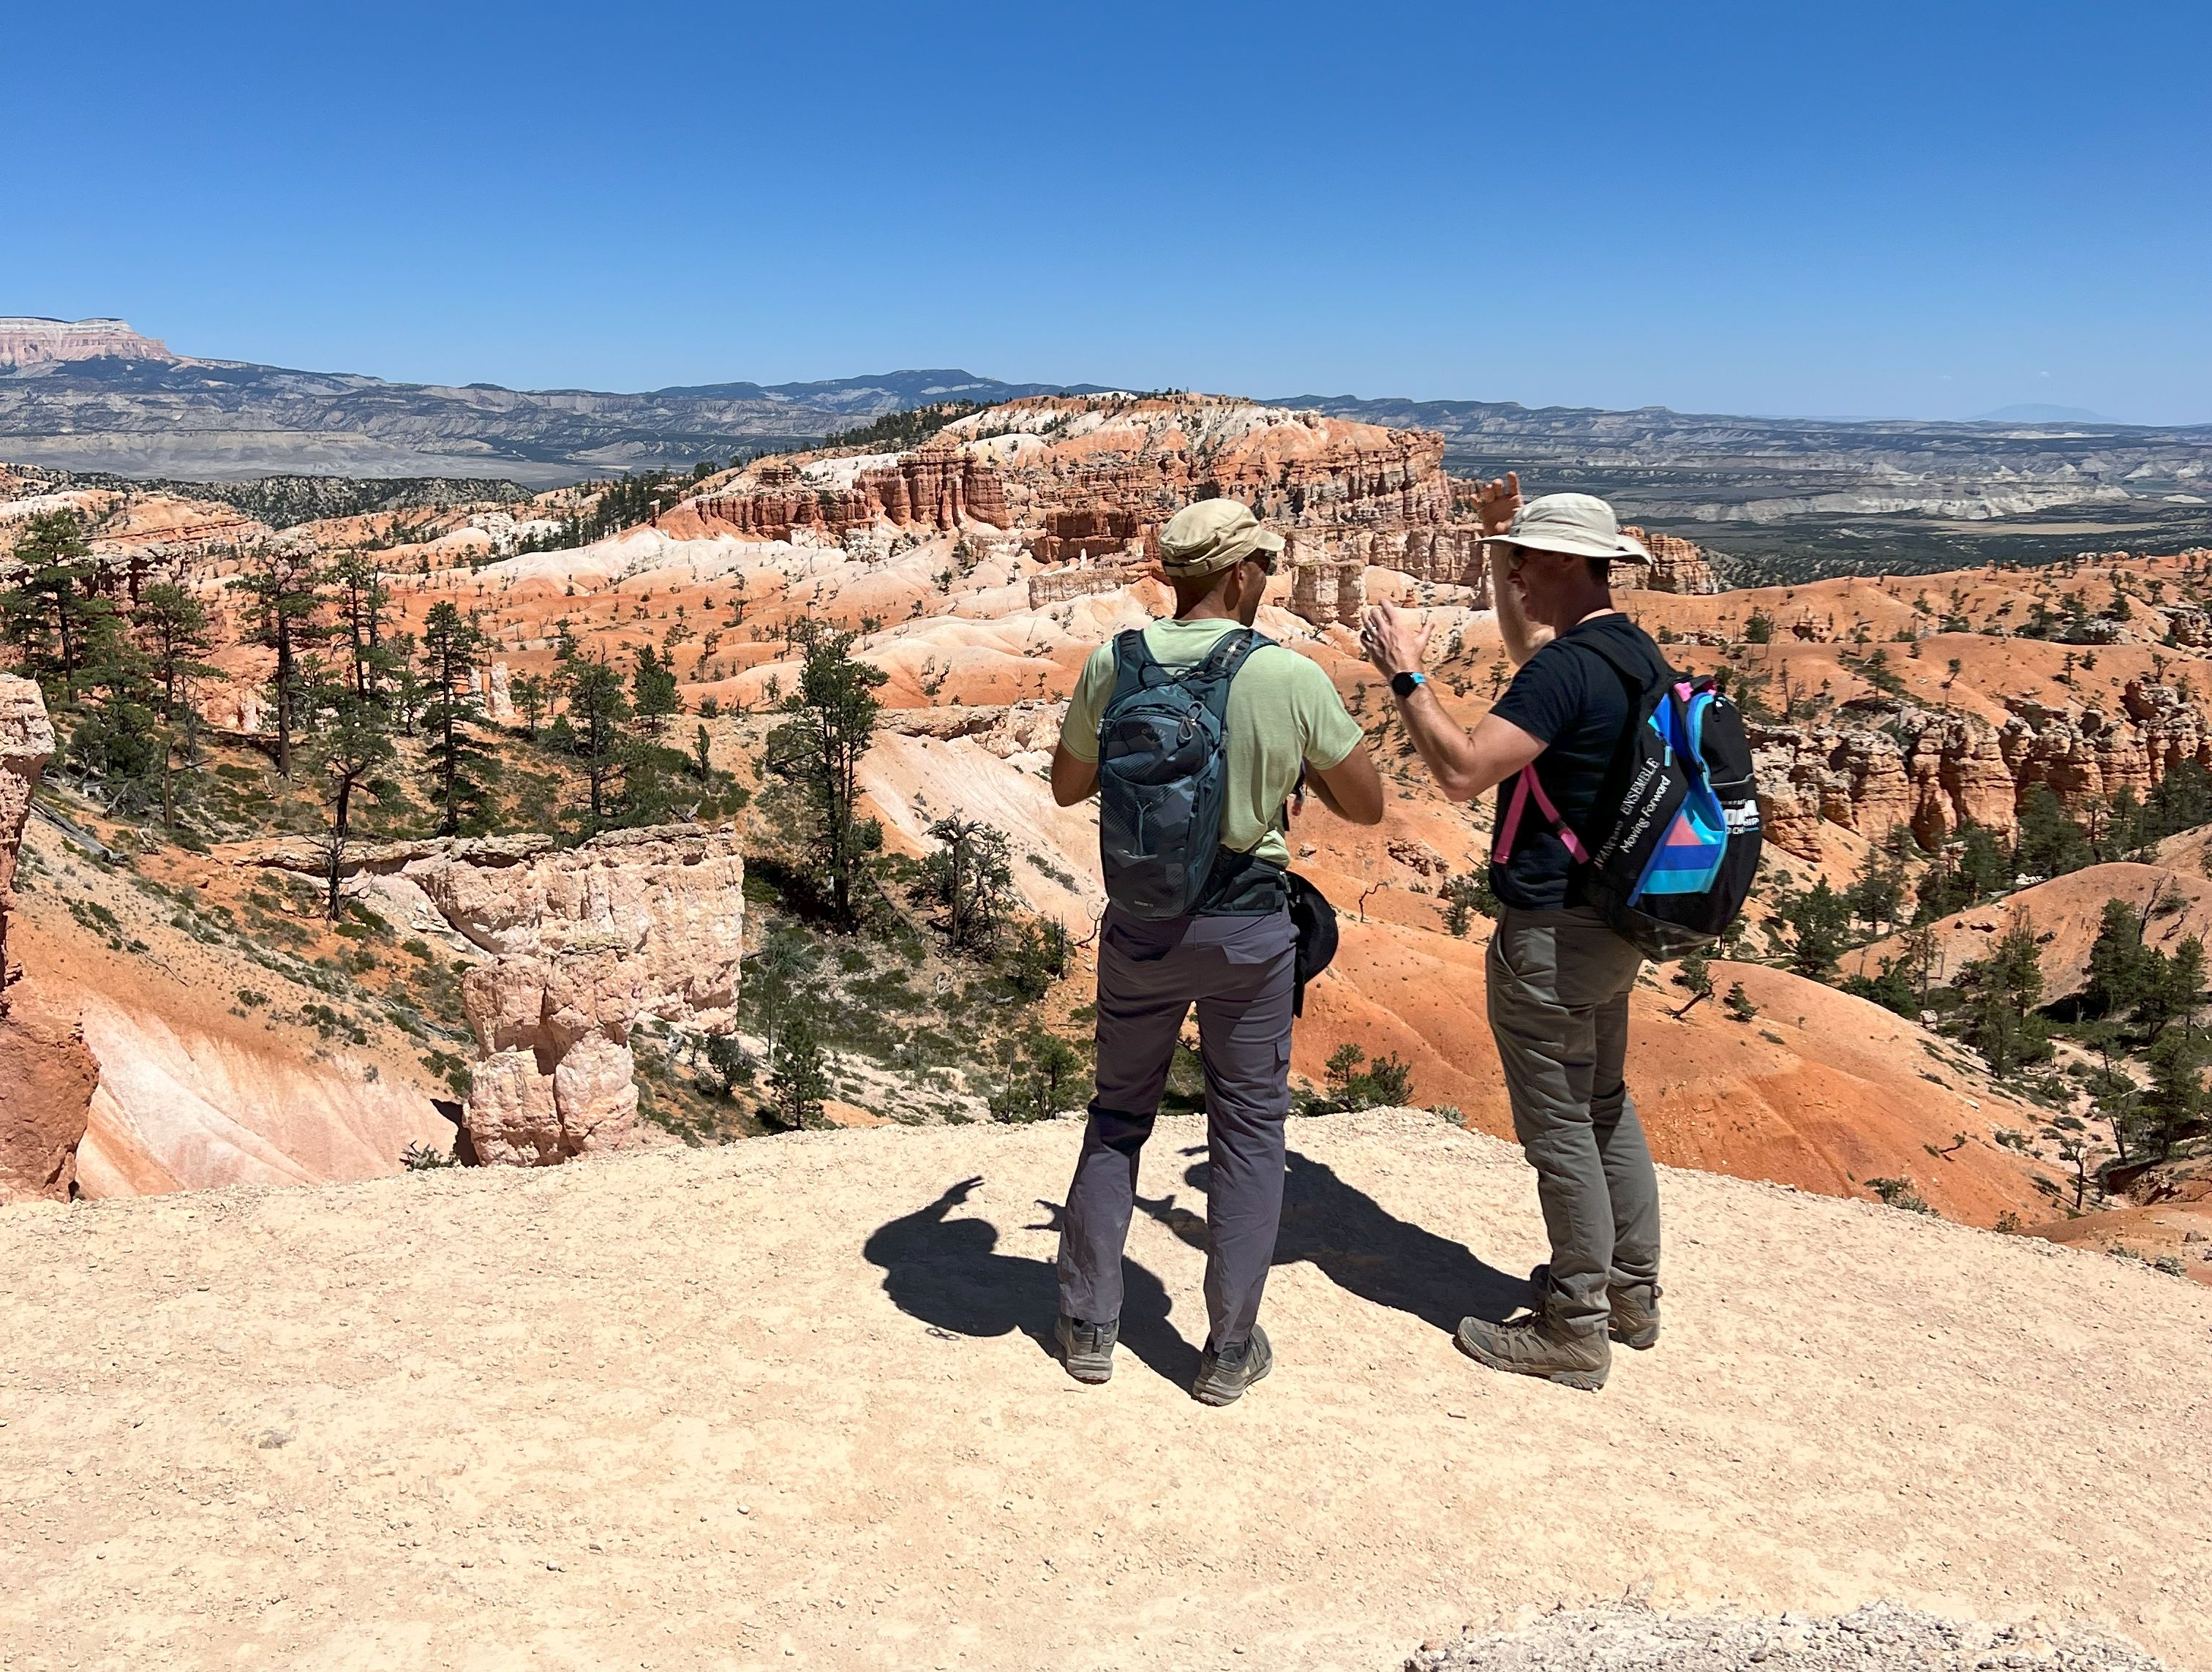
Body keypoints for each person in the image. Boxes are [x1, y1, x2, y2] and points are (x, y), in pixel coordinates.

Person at [1049, 498, 1385, 1404]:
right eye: (1264, 566)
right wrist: (1281, 772)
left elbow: (1067, 785)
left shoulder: (1113, 662)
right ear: (1239, 574)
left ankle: (1088, 1326)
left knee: (1118, 1116)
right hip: (1247, 934)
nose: (1268, 578)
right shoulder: (1288, 677)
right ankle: (1228, 1349)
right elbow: (1368, 804)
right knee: (1246, 1134)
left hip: (1142, 929)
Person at [1358, 474, 1666, 1393]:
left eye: (1521, 560)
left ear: (1567, 562)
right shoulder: (1626, 654)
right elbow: (1532, 641)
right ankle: (1630, 1292)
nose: (1512, 574)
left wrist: (1404, 672)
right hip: (1615, 920)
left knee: (1560, 1126)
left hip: (1553, 931)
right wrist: (1499, 537)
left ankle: (1575, 1326)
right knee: (1604, 1100)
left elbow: (1460, 771)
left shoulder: (1567, 671)